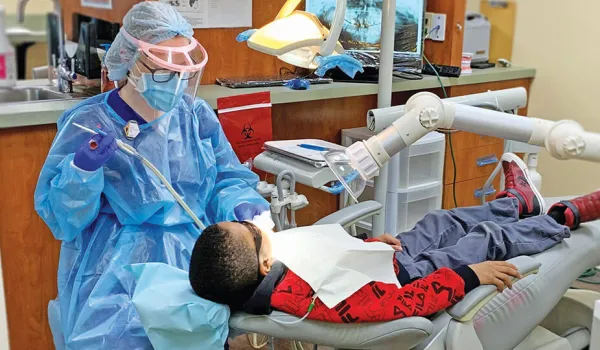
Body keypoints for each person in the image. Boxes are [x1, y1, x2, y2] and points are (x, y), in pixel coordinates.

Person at [34, 2, 272, 349]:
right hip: (114, 277)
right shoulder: (88, 123)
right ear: (131, 60)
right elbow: (62, 219)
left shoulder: (194, 116)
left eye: (182, 73)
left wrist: (243, 206)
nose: (174, 83)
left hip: (192, 266)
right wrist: (80, 172)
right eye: (163, 70)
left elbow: (226, 177)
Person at [189, 154, 600, 322]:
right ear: (263, 265)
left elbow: (331, 264)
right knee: (484, 240)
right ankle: (564, 216)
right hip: (411, 278)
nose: (258, 225)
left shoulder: (274, 271)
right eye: (252, 232)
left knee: (441, 219)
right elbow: (399, 303)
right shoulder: (307, 300)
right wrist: (471, 275)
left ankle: (518, 201)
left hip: (385, 260)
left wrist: (366, 246)